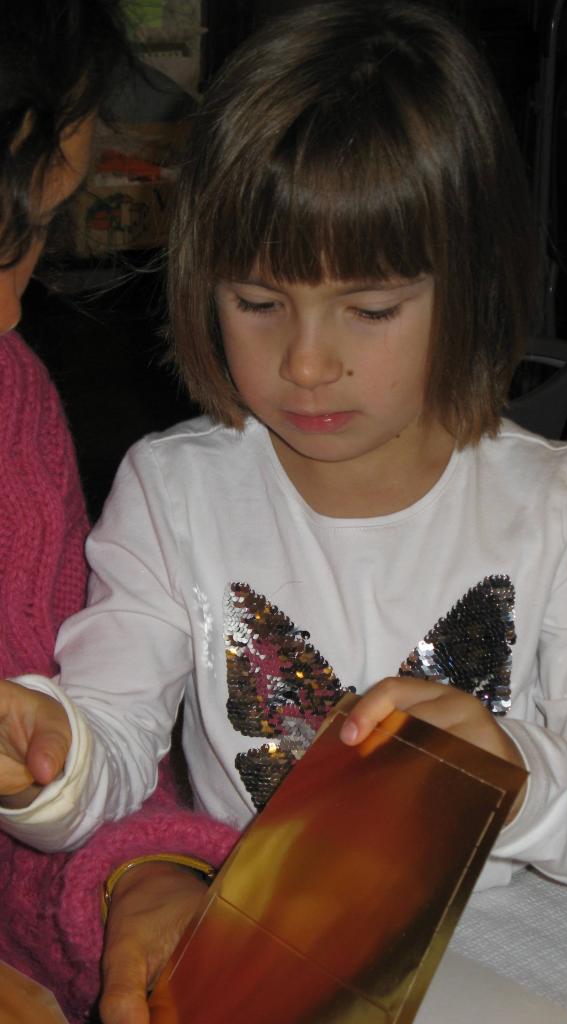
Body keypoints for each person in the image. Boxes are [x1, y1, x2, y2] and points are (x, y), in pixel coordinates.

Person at [0, 1, 567, 1019]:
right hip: (265, 964)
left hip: (509, 960)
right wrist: (48, 768)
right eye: (256, 300)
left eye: (370, 309)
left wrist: (511, 773)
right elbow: (109, 751)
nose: (307, 362)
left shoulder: (557, 502)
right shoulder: (175, 491)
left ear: (473, 286)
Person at [0, 3, 239, 1022]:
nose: (13, 309)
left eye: (34, 235)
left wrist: (136, 880)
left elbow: (68, 751)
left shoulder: (13, 408)